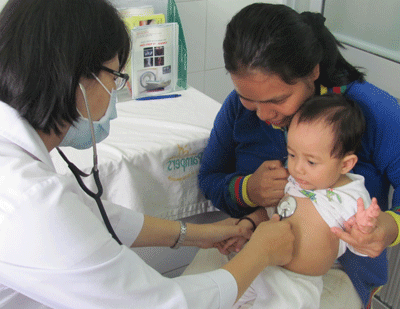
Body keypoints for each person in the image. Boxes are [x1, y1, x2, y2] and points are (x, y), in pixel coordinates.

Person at [0, 0, 296, 308]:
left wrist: (198, 233)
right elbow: (161, 303)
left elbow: (95, 216)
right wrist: (260, 253)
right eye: (115, 77)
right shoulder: (30, 201)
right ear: (76, 77)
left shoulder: (21, 169)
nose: (116, 89)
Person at [198, 3, 400, 307]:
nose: (264, 115)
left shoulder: (370, 112)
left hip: (336, 270)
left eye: (278, 100)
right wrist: (247, 190)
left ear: (313, 71)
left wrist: (387, 228)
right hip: (253, 246)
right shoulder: (237, 109)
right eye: (248, 99)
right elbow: (209, 178)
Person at [223, 93, 379, 308]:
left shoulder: (352, 198)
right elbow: (276, 211)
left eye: (311, 161)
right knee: (225, 298)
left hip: (297, 283)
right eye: (292, 155)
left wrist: (366, 231)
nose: (297, 168)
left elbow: (362, 247)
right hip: (263, 265)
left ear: (345, 165)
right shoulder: (297, 179)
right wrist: (248, 223)